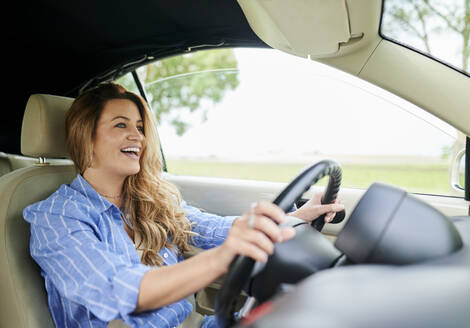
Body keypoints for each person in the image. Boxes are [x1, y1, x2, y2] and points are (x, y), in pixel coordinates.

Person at [23, 83, 344, 328]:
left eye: (139, 127)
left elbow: (210, 227)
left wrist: (295, 219)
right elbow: (117, 289)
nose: (137, 136)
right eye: (121, 125)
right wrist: (221, 260)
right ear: (85, 136)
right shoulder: (57, 216)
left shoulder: (147, 198)